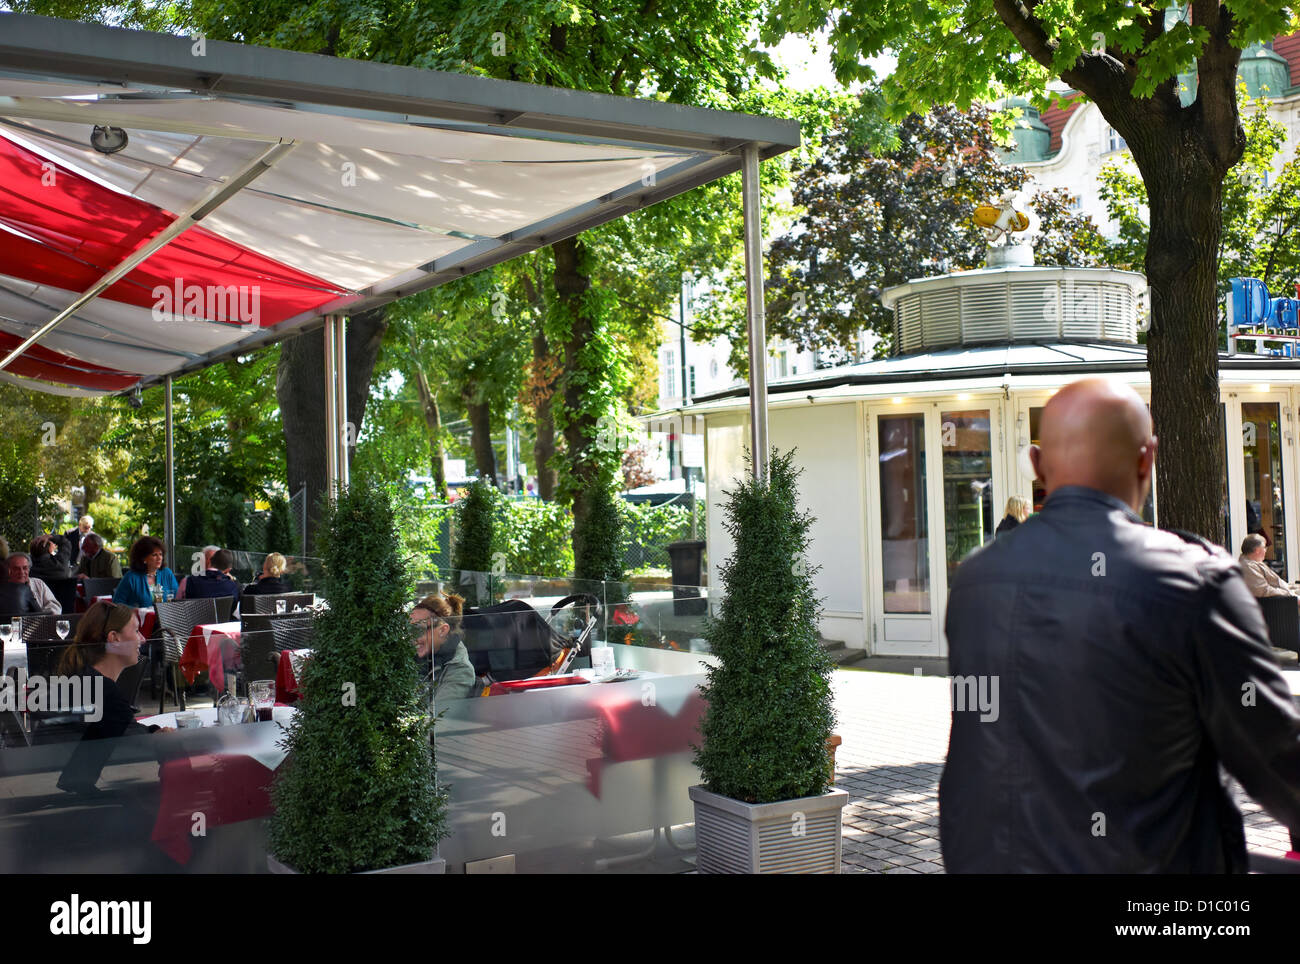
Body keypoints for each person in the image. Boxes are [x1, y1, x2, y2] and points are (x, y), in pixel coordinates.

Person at [940, 377, 1300, 873]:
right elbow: (1273, 750)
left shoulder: (977, 580)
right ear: (1147, 458)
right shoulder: (1194, 578)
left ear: (1039, 466)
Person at [55, 602, 170, 794]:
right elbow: (140, 747)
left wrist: (153, 732)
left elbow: (122, 728)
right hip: (78, 808)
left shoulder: (84, 679)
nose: (142, 639)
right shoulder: (105, 693)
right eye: (136, 630)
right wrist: (164, 738)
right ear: (114, 638)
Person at [407, 592, 477, 703]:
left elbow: (440, 717)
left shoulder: (460, 671)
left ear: (443, 630)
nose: (411, 637)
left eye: (419, 630)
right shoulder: (416, 657)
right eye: (408, 629)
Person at [112, 537, 179, 608]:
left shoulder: (167, 573)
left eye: (160, 554)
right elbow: (116, 604)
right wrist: (136, 611)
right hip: (139, 618)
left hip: (166, 618)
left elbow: (178, 598)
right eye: (154, 555)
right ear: (143, 558)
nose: (159, 558)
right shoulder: (131, 577)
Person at [1239, 533, 1297, 603]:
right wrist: (1290, 595)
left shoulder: (1255, 563)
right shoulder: (1247, 566)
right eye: (1264, 547)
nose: (1265, 550)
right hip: (1279, 604)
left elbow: (1278, 583)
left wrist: (1293, 589)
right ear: (1257, 550)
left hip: (1285, 596)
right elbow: (1263, 590)